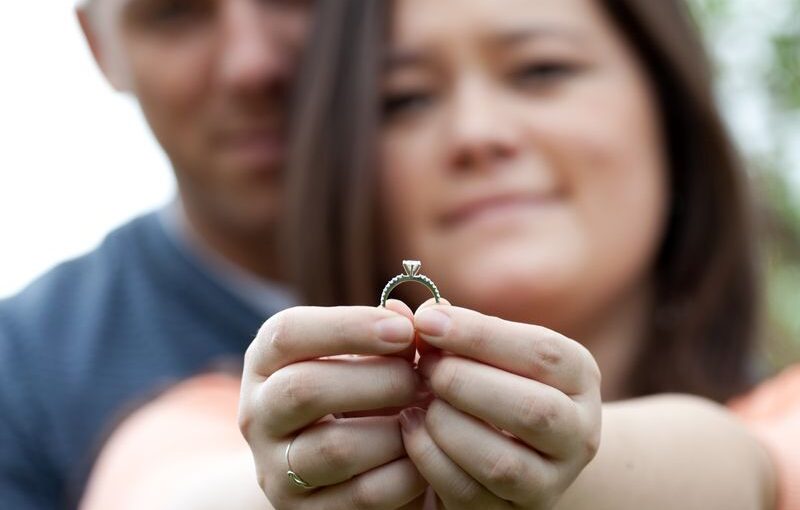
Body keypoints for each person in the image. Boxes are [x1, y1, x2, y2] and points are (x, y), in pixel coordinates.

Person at [79, 0, 797, 509]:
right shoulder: (213, 421)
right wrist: (294, 475)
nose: (477, 134)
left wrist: (575, 460)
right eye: (406, 99)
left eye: (542, 70)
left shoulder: (780, 415)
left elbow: (754, 470)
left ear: (665, 107)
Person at [0, 0, 312, 507]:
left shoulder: (482, 274)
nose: (252, 65)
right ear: (101, 48)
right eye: (173, 13)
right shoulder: (23, 375)